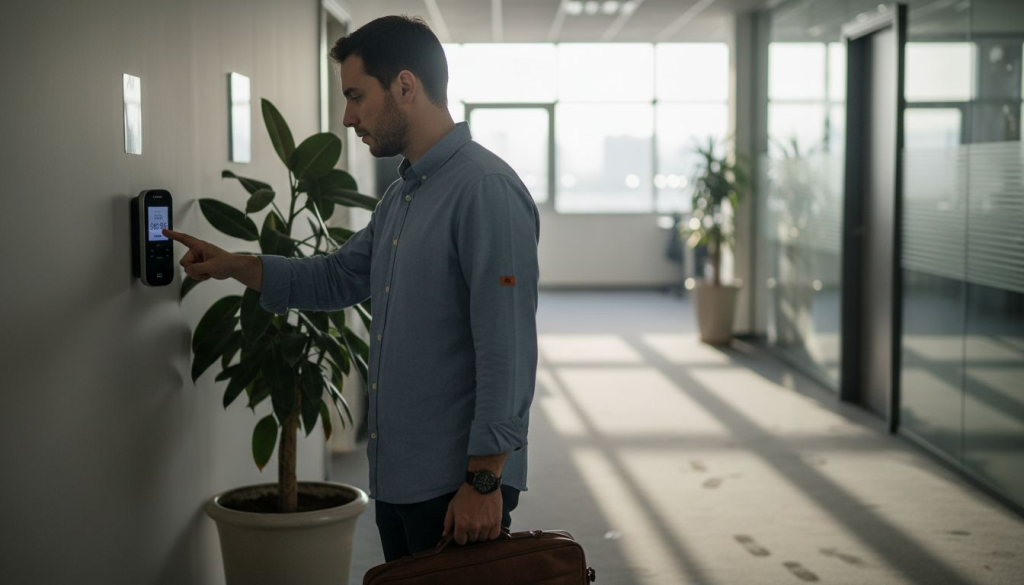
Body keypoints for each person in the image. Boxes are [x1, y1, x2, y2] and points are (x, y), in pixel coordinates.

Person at [162, 15, 539, 564]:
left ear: (405, 87)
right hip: (401, 475)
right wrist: (237, 265)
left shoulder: (486, 191)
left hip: (457, 482)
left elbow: (506, 348)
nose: (348, 117)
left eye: (357, 96)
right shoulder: (404, 196)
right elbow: (340, 276)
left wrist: (484, 482)